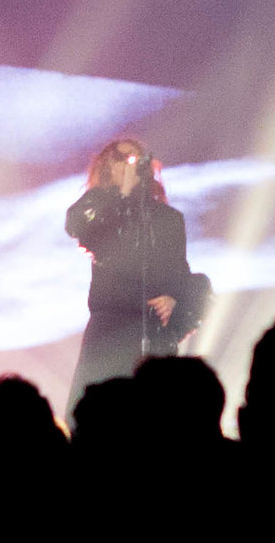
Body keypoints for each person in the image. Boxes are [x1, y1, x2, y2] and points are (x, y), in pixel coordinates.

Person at [65, 137, 192, 406]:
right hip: (111, 328)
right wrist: (121, 196)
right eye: (121, 158)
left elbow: (180, 270)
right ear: (107, 166)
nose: (129, 164)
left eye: (135, 158)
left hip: (154, 329)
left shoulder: (169, 218)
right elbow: (86, 233)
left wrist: (174, 297)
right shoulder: (94, 208)